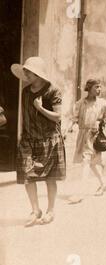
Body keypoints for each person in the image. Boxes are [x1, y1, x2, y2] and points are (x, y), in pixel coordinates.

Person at [11, 57, 66, 227]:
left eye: (28, 71)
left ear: (37, 73)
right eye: (25, 71)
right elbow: (25, 115)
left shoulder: (52, 91)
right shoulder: (26, 91)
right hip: (29, 139)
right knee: (28, 176)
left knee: (50, 178)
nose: (25, 74)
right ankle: (35, 210)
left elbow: (58, 117)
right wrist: (22, 136)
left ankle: (50, 211)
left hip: (50, 139)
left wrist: (40, 108)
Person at [65, 79, 106, 199]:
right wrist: (67, 130)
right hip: (83, 135)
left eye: (100, 87)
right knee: (90, 163)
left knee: (88, 162)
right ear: (89, 88)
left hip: (95, 136)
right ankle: (103, 184)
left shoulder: (103, 103)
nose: (99, 89)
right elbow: (74, 118)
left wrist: (100, 122)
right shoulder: (80, 103)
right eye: (96, 87)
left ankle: (80, 193)